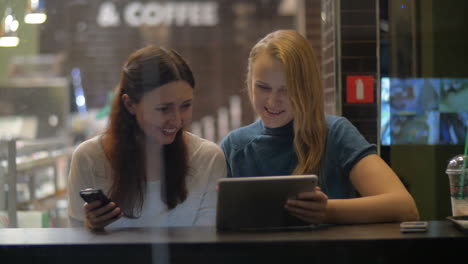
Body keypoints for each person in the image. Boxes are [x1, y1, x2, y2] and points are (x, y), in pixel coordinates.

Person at [220, 30, 419, 224]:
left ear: (306, 89)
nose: (273, 101)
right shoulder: (234, 147)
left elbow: (405, 207)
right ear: (249, 83)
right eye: (263, 87)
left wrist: (328, 211)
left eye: (287, 90)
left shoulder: (335, 133)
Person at [68, 45, 226, 230]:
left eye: (185, 106)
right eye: (163, 108)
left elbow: (206, 246)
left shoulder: (208, 158)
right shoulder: (89, 158)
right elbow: (76, 246)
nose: (176, 120)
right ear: (129, 104)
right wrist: (91, 228)